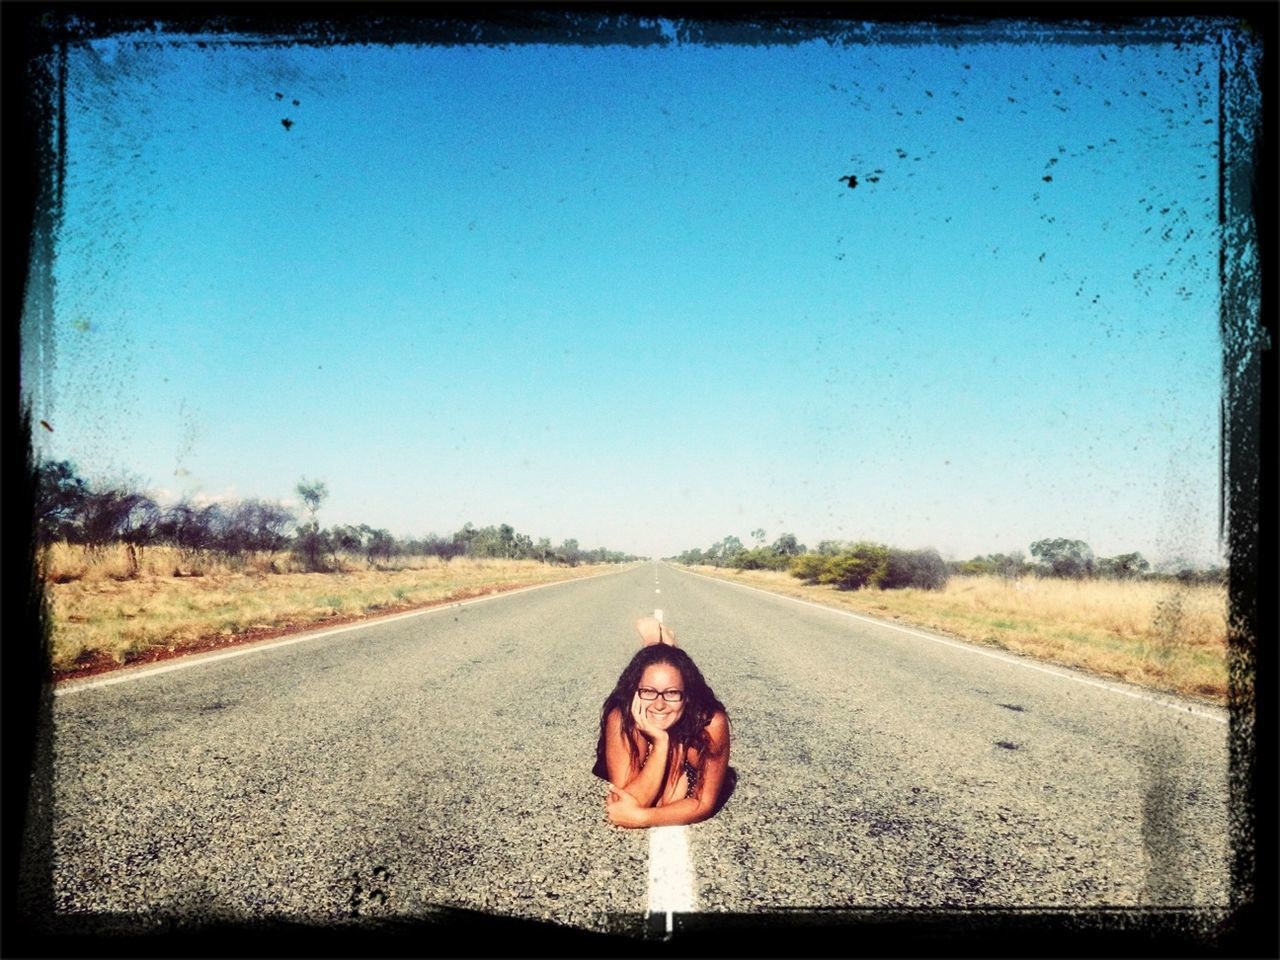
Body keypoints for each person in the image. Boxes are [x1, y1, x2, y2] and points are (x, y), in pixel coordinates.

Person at [594, 622, 731, 828]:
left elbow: (703, 804)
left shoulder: (710, 723)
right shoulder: (622, 718)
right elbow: (630, 800)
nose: (659, 705)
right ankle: (654, 643)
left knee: (669, 671)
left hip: (687, 719)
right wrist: (661, 743)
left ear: (687, 697)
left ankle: (662, 645)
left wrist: (643, 818)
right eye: (648, 692)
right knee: (658, 668)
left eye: (672, 693)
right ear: (636, 693)